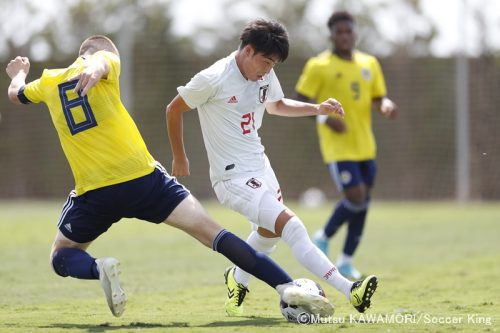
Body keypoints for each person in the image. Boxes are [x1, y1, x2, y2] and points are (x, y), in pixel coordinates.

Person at [5, 35, 335, 319]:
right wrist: (96, 67)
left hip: (95, 192)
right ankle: (288, 286)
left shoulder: (48, 82)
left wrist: (18, 73)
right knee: (214, 235)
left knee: (62, 254)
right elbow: (102, 62)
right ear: (99, 53)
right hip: (145, 180)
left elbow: (17, 94)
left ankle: (97, 268)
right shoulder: (105, 57)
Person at [166, 19, 378, 317]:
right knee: (292, 226)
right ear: (248, 51)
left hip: (260, 166)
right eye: (266, 61)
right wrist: (180, 157)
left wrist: (316, 108)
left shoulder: (264, 75)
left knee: (268, 234)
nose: (268, 69)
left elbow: (276, 106)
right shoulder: (213, 78)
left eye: (274, 64)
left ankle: (236, 280)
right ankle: (349, 290)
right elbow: (173, 109)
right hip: (232, 178)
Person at [294, 11, 398, 280]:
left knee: (363, 202)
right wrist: (326, 121)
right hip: (338, 147)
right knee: (356, 196)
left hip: (365, 144)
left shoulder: (369, 63)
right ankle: (323, 236)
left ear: (355, 33)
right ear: (331, 35)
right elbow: (298, 102)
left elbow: (378, 97)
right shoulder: (319, 66)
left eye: (348, 31)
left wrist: (385, 106)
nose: (344, 36)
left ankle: (347, 260)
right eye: (338, 32)